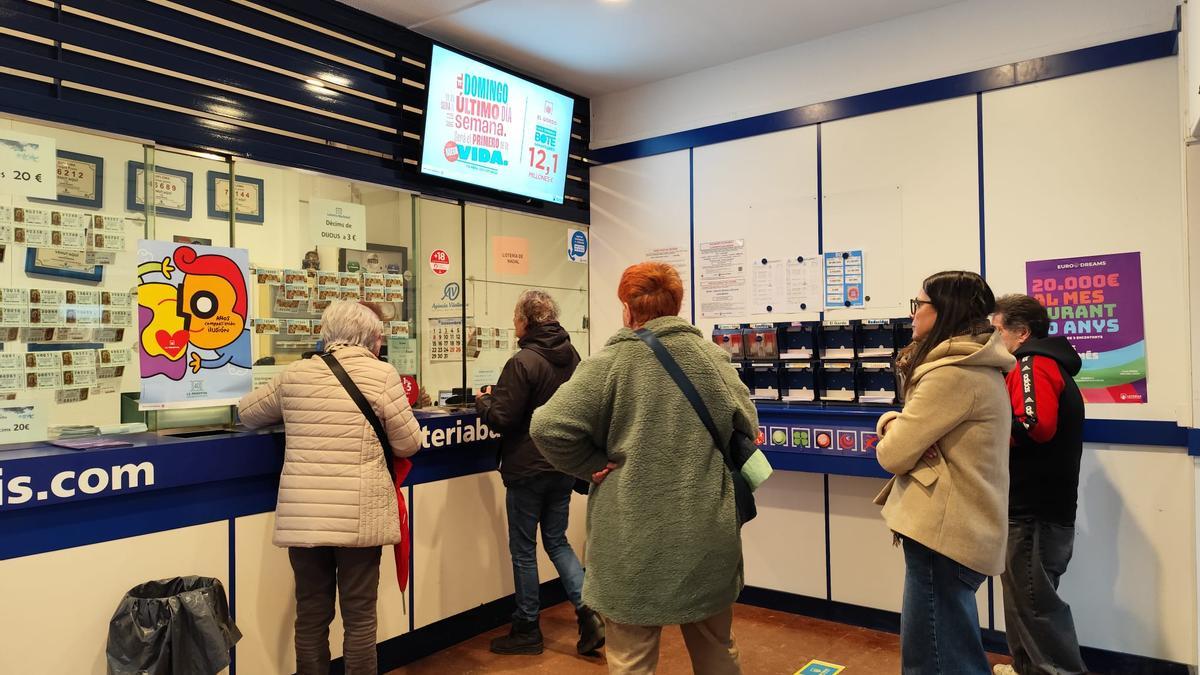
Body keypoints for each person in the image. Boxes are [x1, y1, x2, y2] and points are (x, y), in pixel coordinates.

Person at [530, 262, 757, 675]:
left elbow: (547, 427)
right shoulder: (712, 358)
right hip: (706, 534)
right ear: (676, 305)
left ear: (628, 309)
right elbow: (748, 425)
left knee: (631, 660)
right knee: (716, 649)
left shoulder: (611, 362)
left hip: (631, 542)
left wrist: (591, 465)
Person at [238, 301, 421, 675]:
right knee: (359, 617)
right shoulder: (383, 375)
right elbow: (409, 444)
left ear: (327, 335)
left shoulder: (295, 374)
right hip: (360, 518)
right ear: (371, 338)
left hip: (306, 518)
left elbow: (248, 413)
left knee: (310, 613)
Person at [873, 271, 1015, 674]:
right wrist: (903, 428)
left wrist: (891, 426)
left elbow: (892, 454)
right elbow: (911, 440)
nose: (913, 315)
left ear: (944, 311)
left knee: (934, 659)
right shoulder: (977, 366)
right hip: (960, 528)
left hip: (943, 533)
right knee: (952, 648)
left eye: (919, 305)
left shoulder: (951, 374)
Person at [475, 290, 604, 657]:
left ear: (526, 321)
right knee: (557, 541)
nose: (513, 323)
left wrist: (484, 401)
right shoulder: (572, 355)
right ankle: (588, 612)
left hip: (526, 469)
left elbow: (503, 418)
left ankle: (527, 627)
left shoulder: (523, 362)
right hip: (562, 463)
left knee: (523, 550)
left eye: (515, 318)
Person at [990, 295, 1087, 675]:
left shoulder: (1033, 363)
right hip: (1033, 509)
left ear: (1022, 333)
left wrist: (984, 434)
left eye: (997, 330)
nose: (992, 338)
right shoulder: (1035, 364)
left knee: (1035, 605)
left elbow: (1035, 425)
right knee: (1022, 601)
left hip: (1035, 511)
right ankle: (1024, 669)